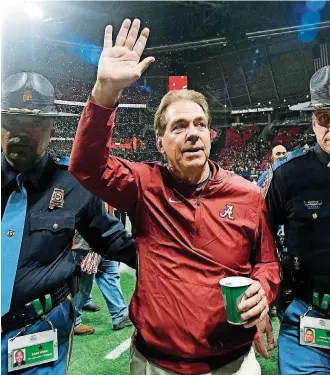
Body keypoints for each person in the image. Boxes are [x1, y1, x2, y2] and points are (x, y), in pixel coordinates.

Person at [70, 18, 280, 375]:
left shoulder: (247, 194)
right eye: (179, 127)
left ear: (211, 136)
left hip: (233, 363)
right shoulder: (143, 184)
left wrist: (263, 287)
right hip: (157, 363)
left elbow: (268, 263)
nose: (193, 133)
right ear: (159, 143)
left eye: (200, 124)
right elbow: (87, 166)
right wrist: (105, 91)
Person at [1, 72, 136, 375]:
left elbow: (116, 242)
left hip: (36, 331)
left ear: (51, 128)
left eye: (34, 124)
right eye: (12, 121)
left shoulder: (72, 183)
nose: (21, 133)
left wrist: (184, 259)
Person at [263, 64, 330, 374]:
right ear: (313, 122)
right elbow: (260, 241)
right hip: (308, 329)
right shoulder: (287, 176)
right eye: (324, 118)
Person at [72, 230, 132, 335]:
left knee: (110, 274)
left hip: (106, 238)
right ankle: (73, 322)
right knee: (83, 283)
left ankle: (120, 315)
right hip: (87, 242)